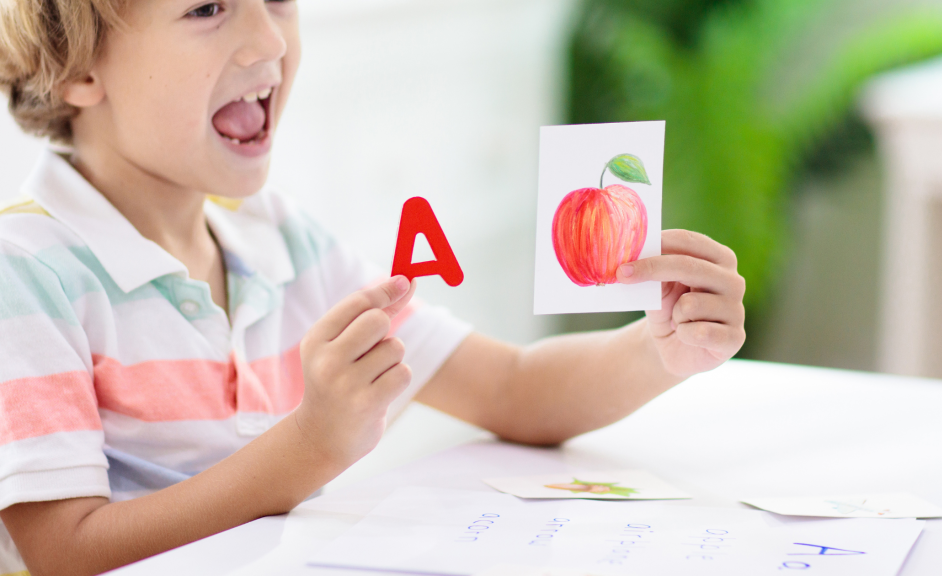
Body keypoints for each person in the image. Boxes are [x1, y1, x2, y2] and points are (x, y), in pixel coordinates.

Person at [0, 1, 746, 574]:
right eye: (207, 8)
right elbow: (65, 552)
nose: (270, 42)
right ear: (76, 65)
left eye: (279, 0)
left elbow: (516, 389)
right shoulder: (26, 270)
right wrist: (308, 449)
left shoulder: (284, 242)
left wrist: (661, 348)